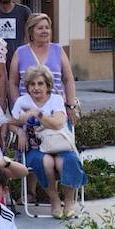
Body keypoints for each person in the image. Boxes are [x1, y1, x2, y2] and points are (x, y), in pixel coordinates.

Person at [10, 64, 86, 219]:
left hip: (58, 144)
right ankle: (55, 200)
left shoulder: (56, 99)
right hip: (35, 146)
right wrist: (19, 131)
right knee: (45, 162)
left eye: (40, 84)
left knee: (68, 160)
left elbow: (58, 123)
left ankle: (69, 201)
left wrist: (36, 114)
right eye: (32, 84)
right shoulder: (21, 101)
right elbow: (10, 122)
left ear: (48, 85)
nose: (36, 88)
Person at [8, 12, 80, 123]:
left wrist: (70, 105)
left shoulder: (58, 50)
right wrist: (20, 104)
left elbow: (68, 79)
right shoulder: (20, 52)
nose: (45, 31)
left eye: (47, 28)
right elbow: (13, 83)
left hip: (55, 113)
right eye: (40, 28)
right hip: (29, 113)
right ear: (31, 31)